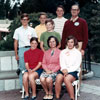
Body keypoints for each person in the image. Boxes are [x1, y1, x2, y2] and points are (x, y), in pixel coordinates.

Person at [13, 13, 37, 88]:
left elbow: (35, 41)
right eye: (23, 19)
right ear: (21, 20)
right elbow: (15, 42)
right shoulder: (17, 30)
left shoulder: (32, 30)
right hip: (22, 50)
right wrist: (16, 54)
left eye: (26, 19)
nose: (25, 21)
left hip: (31, 49)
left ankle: (31, 86)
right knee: (22, 68)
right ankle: (22, 87)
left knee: (32, 67)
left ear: (28, 20)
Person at [55, 35, 82, 100]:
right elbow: (62, 62)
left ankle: (72, 98)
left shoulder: (78, 53)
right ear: (66, 43)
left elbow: (77, 65)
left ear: (74, 43)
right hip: (63, 70)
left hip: (73, 71)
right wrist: (64, 70)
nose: (70, 44)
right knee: (58, 78)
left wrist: (68, 71)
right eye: (68, 42)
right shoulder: (63, 52)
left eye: (71, 42)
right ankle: (57, 97)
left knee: (67, 79)